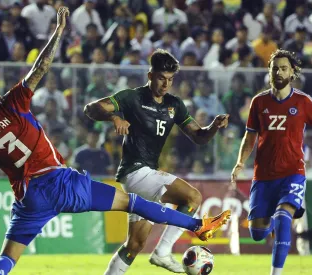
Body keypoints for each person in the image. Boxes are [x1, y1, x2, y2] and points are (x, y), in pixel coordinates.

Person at [0, 8, 228, 275]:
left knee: (8, 257)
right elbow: (40, 68)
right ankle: (196, 224)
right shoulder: (14, 102)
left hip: (29, 199)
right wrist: (58, 32)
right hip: (61, 182)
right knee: (132, 203)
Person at [84, 48, 231, 274]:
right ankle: (162, 251)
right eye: (162, 78)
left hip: (146, 174)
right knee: (193, 197)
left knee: (134, 245)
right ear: (150, 75)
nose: (166, 84)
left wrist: (213, 127)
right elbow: (91, 109)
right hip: (135, 172)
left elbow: (198, 137)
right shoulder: (132, 97)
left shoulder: (174, 104)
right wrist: (114, 116)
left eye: (170, 80)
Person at [230, 49, 312, 275]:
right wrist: (240, 162)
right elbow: (250, 134)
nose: (278, 72)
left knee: (283, 216)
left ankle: (276, 273)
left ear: (292, 73)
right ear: (269, 72)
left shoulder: (304, 102)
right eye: (275, 68)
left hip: (293, 172)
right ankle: (273, 222)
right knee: (258, 233)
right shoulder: (258, 102)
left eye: (284, 68)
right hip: (263, 175)